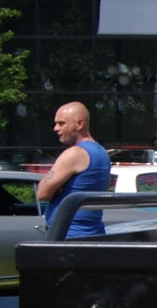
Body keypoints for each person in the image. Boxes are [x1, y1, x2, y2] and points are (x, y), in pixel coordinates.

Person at [37, 102, 111, 238]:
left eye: (61, 123)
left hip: (68, 236)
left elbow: (42, 193)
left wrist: (57, 189)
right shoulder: (102, 153)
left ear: (79, 124)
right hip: (93, 233)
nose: (55, 128)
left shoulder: (75, 153)